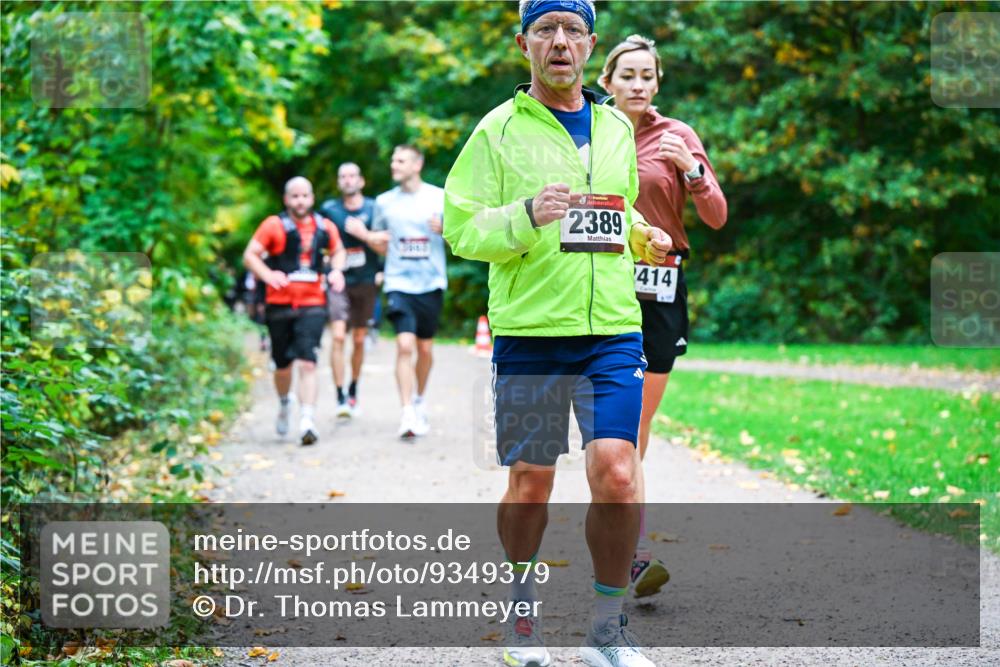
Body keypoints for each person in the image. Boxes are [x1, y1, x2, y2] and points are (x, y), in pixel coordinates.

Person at [444, 2, 672, 666]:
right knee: (530, 480)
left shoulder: (614, 128)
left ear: (590, 43)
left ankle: (607, 626)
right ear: (525, 44)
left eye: (572, 30)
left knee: (618, 472)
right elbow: (461, 226)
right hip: (532, 331)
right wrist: (523, 214)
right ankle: (521, 618)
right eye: (546, 30)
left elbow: (617, 208)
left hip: (612, 331)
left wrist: (642, 234)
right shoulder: (498, 130)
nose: (560, 42)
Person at [599, 34, 728, 598]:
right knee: (615, 432)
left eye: (647, 76)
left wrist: (692, 172)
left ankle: (629, 540)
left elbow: (717, 216)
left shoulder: (676, 135)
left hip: (661, 285)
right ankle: (633, 550)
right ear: (606, 81)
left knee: (636, 428)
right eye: (627, 75)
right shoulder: (588, 130)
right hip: (600, 281)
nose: (638, 85)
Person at [243, 177, 346, 446]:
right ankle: (284, 403)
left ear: (312, 198)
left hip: (313, 304)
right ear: (287, 200)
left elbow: (339, 252)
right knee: (283, 365)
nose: (300, 201)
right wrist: (268, 275)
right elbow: (250, 255)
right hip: (279, 305)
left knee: (308, 361)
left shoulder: (324, 226)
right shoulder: (273, 225)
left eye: (305, 196)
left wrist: (336, 271)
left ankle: (307, 420)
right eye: (295, 196)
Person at [369, 145, 447, 440]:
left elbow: (460, 240)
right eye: (392, 159)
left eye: (400, 160)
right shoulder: (384, 202)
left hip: (430, 283)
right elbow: (380, 241)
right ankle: (406, 412)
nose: (394, 164)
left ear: (418, 164)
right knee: (404, 346)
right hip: (398, 282)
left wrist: (445, 230)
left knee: (425, 349)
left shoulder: (438, 197)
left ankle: (419, 400)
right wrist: (373, 239)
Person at [319, 162, 383, 418]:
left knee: (358, 339)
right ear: (338, 182)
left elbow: (385, 241)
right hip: (338, 281)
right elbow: (319, 244)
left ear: (361, 181)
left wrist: (365, 236)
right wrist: (328, 264)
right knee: (337, 337)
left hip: (366, 280)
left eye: (352, 176)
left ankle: (353, 388)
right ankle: (339, 397)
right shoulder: (329, 210)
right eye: (342, 176)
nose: (347, 180)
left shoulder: (374, 208)